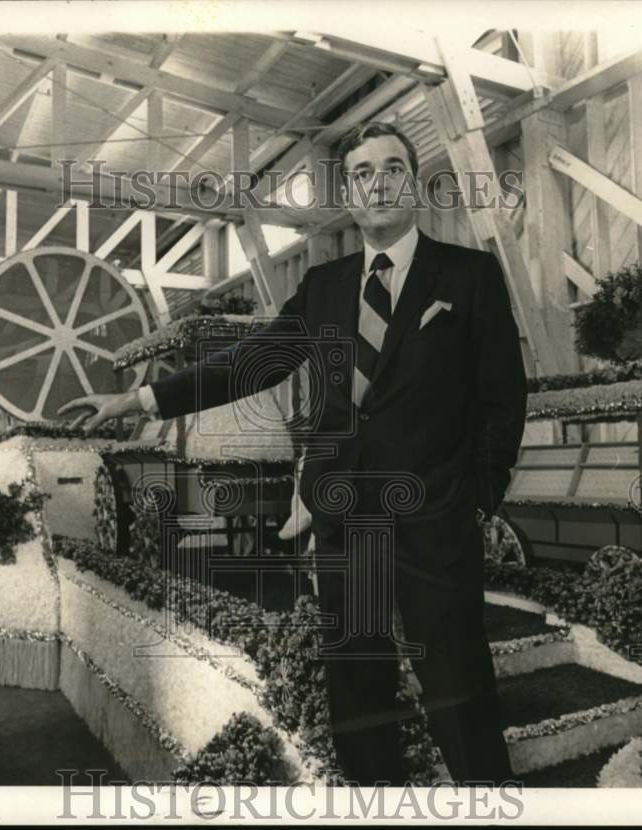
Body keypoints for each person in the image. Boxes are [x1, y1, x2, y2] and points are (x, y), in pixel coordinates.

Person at [60, 122, 527, 786]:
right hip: (345, 521)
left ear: (414, 185)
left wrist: (478, 496)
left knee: (459, 686)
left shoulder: (469, 275)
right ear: (351, 195)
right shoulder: (326, 286)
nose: (378, 182)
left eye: (393, 167)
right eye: (363, 173)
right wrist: (141, 401)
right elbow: (252, 363)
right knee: (359, 694)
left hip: (435, 521)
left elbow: (503, 396)